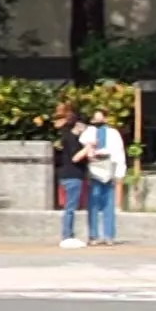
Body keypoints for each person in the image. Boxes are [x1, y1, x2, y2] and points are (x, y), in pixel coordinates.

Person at [80, 110, 127, 245]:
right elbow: (83, 143)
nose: (99, 120)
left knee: (109, 204)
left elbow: (119, 153)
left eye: (101, 117)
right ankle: (93, 236)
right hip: (94, 168)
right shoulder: (89, 132)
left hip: (109, 167)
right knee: (93, 204)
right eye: (96, 117)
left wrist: (119, 172)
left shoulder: (113, 133)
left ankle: (109, 236)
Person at [54, 106, 89, 250]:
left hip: (66, 175)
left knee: (70, 206)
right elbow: (75, 157)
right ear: (78, 125)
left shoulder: (65, 136)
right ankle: (67, 236)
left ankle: (69, 234)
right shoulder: (73, 139)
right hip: (73, 175)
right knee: (70, 207)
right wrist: (88, 148)